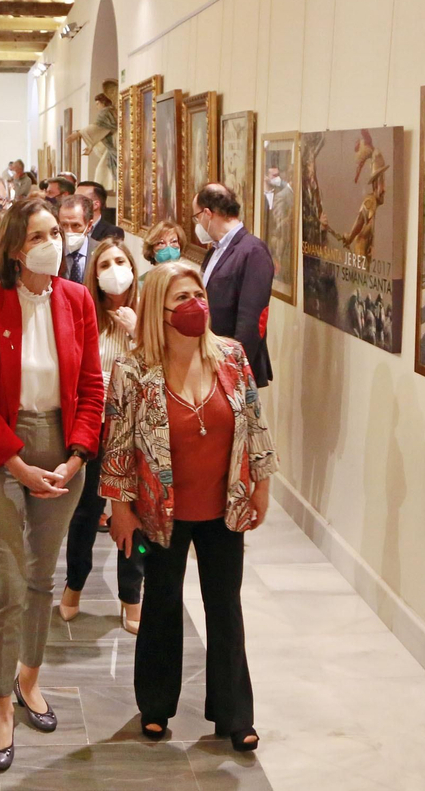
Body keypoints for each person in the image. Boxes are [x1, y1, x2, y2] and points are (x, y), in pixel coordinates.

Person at [100, 260, 276, 751]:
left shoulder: (233, 357)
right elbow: (117, 443)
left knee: (225, 607)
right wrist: (120, 508)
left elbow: (255, 424)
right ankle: (155, 706)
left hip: (225, 506)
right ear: (159, 308)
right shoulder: (133, 371)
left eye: (198, 294)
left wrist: (261, 483)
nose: (195, 305)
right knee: (160, 604)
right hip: (160, 511)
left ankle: (234, 714)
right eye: (182, 298)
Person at [0, 197, 104, 771]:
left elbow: (92, 388)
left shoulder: (77, 300)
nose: (56, 243)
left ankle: (29, 678)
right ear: (18, 248)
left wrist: (75, 457)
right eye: (42, 234)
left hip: (62, 448)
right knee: (5, 585)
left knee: (43, 576)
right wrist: (18, 466)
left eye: (58, 233)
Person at [59, 237, 146, 630]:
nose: (114, 270)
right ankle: (74, 583)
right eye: (104, 264)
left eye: (120, 261)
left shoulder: (149, 313)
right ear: (94, 274)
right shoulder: (85, 313)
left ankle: (132, 592)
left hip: (138, 432)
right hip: (95, 426)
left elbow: (161, 371)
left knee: (135, 515)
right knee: (85, 514)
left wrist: (137, 332)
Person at [194, 184, 274, 387]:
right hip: (209, 358)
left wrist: (234, 368)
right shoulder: (215, 250)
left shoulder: (252, 251)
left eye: (196, 217)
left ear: (207, 214)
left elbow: (251, 320)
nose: (198, 225)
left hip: (232, 367)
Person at [55, 194, 98, 284]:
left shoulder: (100, 251)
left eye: (75, 225)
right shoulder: (52, 252)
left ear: (89, 226)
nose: (68, 231)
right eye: (64, 225)